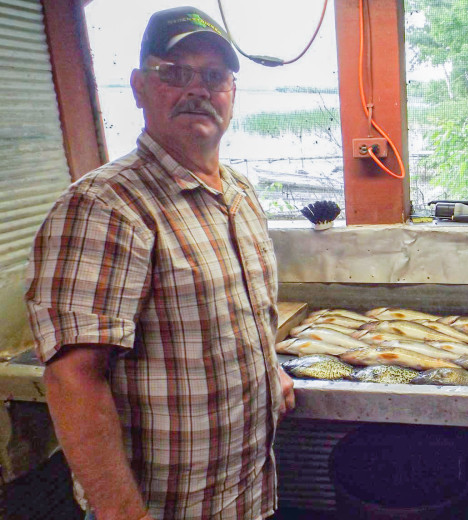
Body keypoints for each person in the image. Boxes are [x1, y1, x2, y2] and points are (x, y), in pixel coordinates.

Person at [25, 6, 295, 519]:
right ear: (138, 87)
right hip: (164, 507)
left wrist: (268, 368)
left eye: (214, 76)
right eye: (174, 73)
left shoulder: (239, 193)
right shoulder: (107, 205)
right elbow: (73, 379)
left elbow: (235, 317)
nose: (198, 88)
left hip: (248, 494)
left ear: (231, 94)